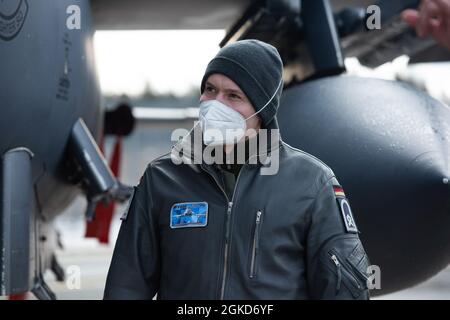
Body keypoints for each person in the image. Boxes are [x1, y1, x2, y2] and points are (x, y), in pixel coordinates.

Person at [103, 39, 371, 300]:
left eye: (233, 96)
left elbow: (343, 290)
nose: (216, 104)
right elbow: (126, 285)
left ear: (262, 109)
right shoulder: (162, 177)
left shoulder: (313, 182)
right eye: (210, 89)